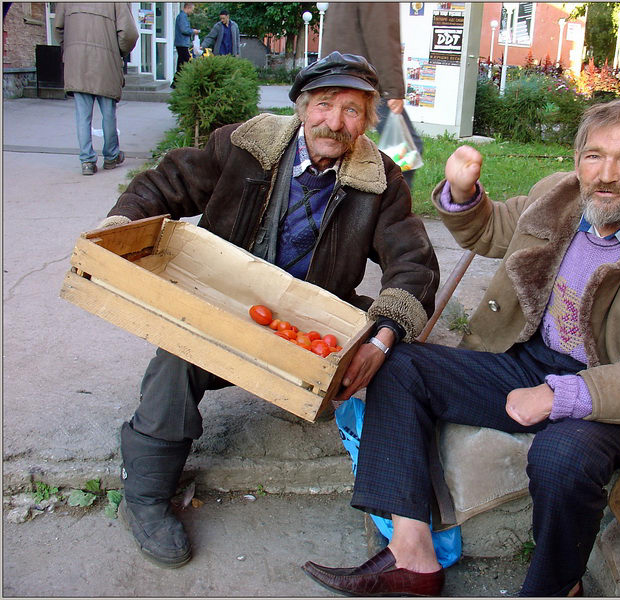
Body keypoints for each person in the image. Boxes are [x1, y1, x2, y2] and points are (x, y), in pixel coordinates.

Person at [302, 99, 620, 597]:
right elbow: (491, 228)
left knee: (562, 458)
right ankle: (412, 554)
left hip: (612, 395)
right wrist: (463, 192)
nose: (606, 175)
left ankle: (554, 587)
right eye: (593, 156)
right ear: (577, 160)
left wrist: (560, 396)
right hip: (528, 362)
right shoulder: (559, 196)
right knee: (397, 362)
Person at [97, 52, 439, 569]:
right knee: (178, 357)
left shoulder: (380, 179)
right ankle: (144, 494)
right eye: (324, 105)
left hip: (306, 326)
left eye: (352, 110)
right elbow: (165, 183)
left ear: (367, 121)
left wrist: (381, 339)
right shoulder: (244, 146)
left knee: (385, 353)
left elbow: (413, 262)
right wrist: (117, 227)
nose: (335, 122)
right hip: (223, 304)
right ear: (303, 107)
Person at [320, 2, 424, 189]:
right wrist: (393, 90)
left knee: (337, 142)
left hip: (336, 73)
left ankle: (335, 201)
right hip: (361, 78)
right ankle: (393, 209)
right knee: (405, 150)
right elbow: (382, 34)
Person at [54, 3, 139, 176]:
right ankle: (111, 157)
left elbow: (58, 29)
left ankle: (87, 161)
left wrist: (71, 47)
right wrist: (119, 52)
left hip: (77, 61)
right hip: (106, 61)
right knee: (108, 113)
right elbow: (129, 34)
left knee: (82, 115)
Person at [172, 2, 199, 88]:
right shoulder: (183, 16)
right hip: (182, 43)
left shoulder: (181, 16)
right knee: (187, 61)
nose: (192, 12)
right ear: (188, 7)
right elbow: (184, 30)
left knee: (181, 63)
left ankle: (175, 83)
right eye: (192, 9)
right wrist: (193, 31)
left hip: (181, 43)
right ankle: (180, 82)